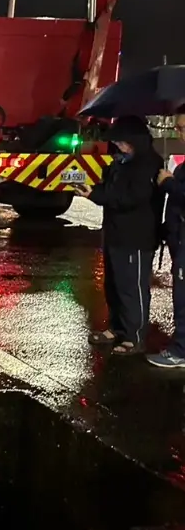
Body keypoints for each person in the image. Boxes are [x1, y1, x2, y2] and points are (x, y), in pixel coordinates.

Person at [75, 116, 163, 356]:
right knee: (113, 285)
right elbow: (112, 191)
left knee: (131, 287)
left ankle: (135, 337)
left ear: (135, 141)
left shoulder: (148, 164)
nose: (120, 146)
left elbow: (132, 198)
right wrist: (93, 191)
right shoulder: (120, 162)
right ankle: (116, 328)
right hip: (115, 232)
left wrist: (96, 195)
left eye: (123, 142)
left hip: (136, 236)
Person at [148, 111, 185, 368]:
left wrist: (169, 183)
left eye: (183, 128)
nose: (179, 133)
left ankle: (181, 350)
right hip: (178, 241)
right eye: (178, 128)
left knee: (183, 299)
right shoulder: (182, 167)